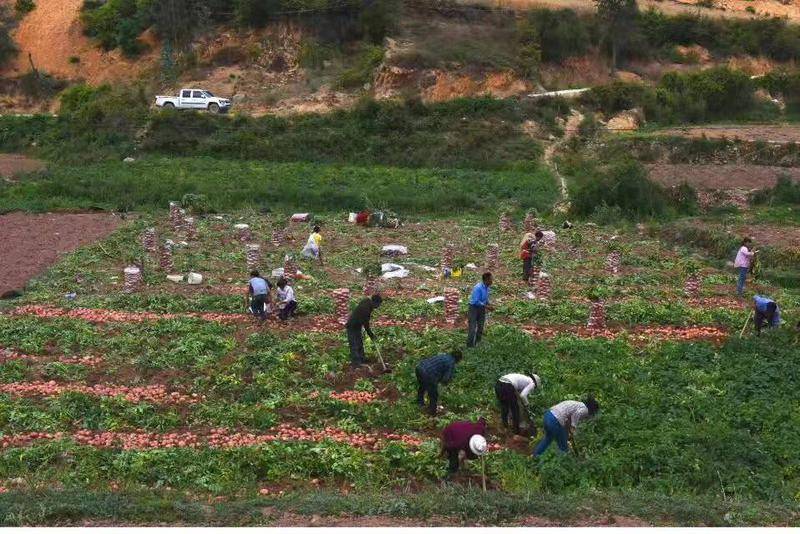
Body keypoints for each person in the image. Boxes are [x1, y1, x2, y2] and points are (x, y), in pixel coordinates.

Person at [533, 397, 599, 457]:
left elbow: (568, 421)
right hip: (555, 420)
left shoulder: (577, 404)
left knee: (548, 439)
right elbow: (576, 414)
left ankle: (535, 456)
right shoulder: (585, 409)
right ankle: (563, 465)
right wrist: (573, 428)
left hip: (548, 415)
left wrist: (569, 432)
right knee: (563, 446)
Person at [416, 350, 462, 415]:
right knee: (433, 394)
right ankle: (432, 411)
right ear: (458, 359)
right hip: (428, 374)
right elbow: (446, 378)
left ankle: (420, 403)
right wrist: (444, 384)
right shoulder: (451, 362)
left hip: (419, 368)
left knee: (422, 386)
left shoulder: (443, 355)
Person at [345, 294, 382, 367]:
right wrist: (370, 334)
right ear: (375, 302)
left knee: (359, 342)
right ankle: (356, 363)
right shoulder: (366, 308)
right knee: (354, 344)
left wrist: (370, 333)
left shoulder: (368, 303)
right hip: (352, 325)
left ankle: (362, 359)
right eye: (378, 304)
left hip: (358, 325)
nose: (378, 307)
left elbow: (365, 321)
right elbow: (366, 324)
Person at [467, 272, 493, 347]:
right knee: (472, 328)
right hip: (474, 308)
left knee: (481, 326)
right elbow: (476, 301)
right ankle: (469, 346)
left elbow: (485, 298)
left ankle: (478, 343)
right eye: (491, 279)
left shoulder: (487, 287)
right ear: (486, 280)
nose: (492, 281)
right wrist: (487, 307)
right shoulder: (478, 288)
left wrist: (489, 304)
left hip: (481, 309)